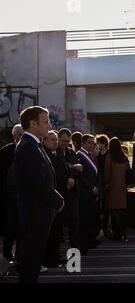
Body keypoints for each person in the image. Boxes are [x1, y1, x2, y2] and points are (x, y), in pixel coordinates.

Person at [14, 106, 64, 283]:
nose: (49, 125)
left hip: (38, 212)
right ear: (33, 124)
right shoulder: (28, 146)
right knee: (31, 262)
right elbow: (38, 182)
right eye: (45, 121)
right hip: (35, 214)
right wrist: (58, 200)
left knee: (33, 261)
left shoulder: (33, 144)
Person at [42, 131, 66, 267]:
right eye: (52, 139)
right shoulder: (44, 153)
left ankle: (54, 256)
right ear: (45, 141)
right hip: (51, 199)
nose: (55, 142)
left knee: (56, 231)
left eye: (56, 140)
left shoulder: (55, 153)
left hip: (58, 198)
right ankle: (50, 259)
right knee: (51, 232)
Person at [1, 124, 24, 262]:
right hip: (10, 195)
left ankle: (19, 252)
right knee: (10, 224)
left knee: (22, 224)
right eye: (20, 134)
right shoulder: (6, 151)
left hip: (24, 195)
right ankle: (7, 251)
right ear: (14, 135)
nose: (22, 137)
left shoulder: (29, 149)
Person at [57, 128, 83, 250]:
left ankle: (75, 247)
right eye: (63, 140)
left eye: (68, 141)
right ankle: (56, 250)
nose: (65, 143)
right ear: (58, 139)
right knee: (58, 222)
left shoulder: (71, 153)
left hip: (72, 193)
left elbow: (80, 171)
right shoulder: (54, 152)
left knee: (75, 221)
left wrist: (72, 178)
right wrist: (68, 179)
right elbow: (57, 170)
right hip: (60, 192)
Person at [76, 134, 100, 255]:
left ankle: (90, 241)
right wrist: (91, 188)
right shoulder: (79, 155)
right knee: (84, 220)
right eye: (89, 142)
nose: (92, 144)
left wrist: (97, 187)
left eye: (93, 142)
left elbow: (96, 172)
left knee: (91, 218)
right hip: (85, 192)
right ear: (83, 143)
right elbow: (80, 176)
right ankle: (83, 245)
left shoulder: (91, 155)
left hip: (93, 193)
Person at [103, 137, 130, 242]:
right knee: (122, 211)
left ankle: (117, 233)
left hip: (112, 187)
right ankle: (124, 233)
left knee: (113, 210)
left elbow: (106, 174)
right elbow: (128, 172)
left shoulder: (109, 157)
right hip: (123, 187)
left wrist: (104, 184)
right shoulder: (125, 158)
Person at [95, 134, 110, 237]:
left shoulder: (109, 155)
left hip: (107, 183)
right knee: (99, 207)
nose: (97, 145)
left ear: (104, 144)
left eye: (99, 143)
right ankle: (99, 228)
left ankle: (105, 228)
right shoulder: (97, 155)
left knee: (106, 207)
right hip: (99, 182)